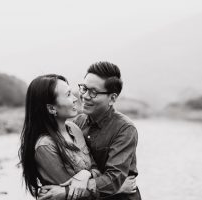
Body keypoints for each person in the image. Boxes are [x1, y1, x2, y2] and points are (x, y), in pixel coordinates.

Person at [40, 62, 141, 200]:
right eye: (84, 88)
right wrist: (86, 174)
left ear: (112, 98)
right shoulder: (76, 124)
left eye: (93, 92)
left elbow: (114, 179)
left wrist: (66, 191)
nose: (85, 96)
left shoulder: (124, 129)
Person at [18, 74, 103, 200]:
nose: (75, 99)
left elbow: (95, 168)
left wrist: (86, 174)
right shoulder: (45, 146)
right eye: (68, 94)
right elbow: (74, 195)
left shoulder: (74, 129)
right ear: (51, 108)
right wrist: (118, 188)